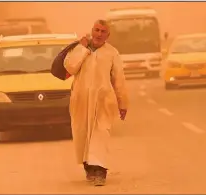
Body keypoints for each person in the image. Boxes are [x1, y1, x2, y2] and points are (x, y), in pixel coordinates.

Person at [63, 20, 129, 186]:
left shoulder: (112, 53)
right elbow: (70, 67)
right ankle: (89, 168)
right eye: (97, 30)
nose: (99, 34)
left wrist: (123, 104)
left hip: (103, 102)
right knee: (83, 135)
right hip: (81, 101)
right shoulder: (80, 48)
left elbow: (119, 80)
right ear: (92, 30)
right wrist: (82, 48)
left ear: (108, 35)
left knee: (100, 134)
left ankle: (100, 171)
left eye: (103, 31)